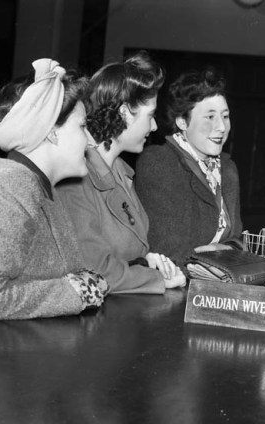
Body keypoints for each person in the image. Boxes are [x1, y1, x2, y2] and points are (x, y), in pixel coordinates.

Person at [0, 59, 109, 324]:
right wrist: (78, 291)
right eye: (83, 127)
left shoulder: (40, 188)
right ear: (51, 133)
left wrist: (82, 284)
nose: (91, 141)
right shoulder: (3, 189)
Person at [57, 51, 185, 294]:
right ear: (125, 114)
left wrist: (146, 261)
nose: (155, 126)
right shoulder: (77, 180)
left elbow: (125, 252)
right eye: (150, 115)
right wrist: (153, 279)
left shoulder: (121, 173)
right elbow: (94, 270)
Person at [135, 67, 243, 266]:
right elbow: (167, 250)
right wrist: (222, 256)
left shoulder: (227, 169)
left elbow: (237, 240)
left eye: (225, 116)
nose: (221, 127)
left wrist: (222, 251)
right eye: (210, 117)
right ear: (182, 122)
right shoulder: (160, 163)